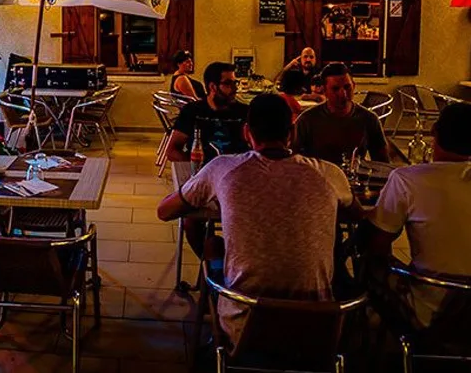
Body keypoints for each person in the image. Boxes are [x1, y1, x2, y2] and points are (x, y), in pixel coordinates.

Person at [157, 93, 354, 348]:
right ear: (292, 133)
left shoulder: (222, 168)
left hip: (245, 322)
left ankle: (215, 323)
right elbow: (357, 215)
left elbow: (165, 211)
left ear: (246, 132)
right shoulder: (330, 173)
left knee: (213, 245)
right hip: (319, 327)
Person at [366, 102, 471, 328]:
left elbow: (378, 243)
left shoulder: (406, 179)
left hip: (438, 313)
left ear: (433, 131)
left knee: (369, 260)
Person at [293, 62, 389, 165]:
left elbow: (382, 163)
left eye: (347, 87)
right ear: (324, 90)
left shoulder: (369, 119)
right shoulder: (307, 120)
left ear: (354, 86)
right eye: (335, 89)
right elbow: (293, 159)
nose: (343, 94)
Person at [165, 62, 249, 161]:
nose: (235, 88)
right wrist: (196, 164)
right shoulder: (192, 111)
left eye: (235, 83)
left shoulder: (244, 112)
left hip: (237, 167)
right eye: (228, 83)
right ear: (213, 87)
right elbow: (172, 151)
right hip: (202, 168)